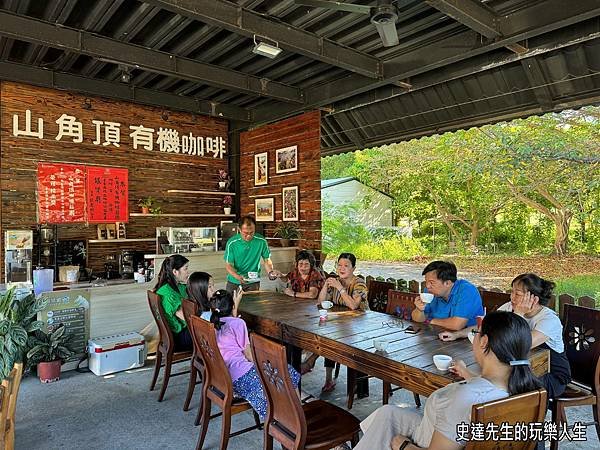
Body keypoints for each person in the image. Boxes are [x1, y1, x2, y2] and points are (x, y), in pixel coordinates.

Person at [355, 311, 543, 450]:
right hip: (450, 434)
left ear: (484, 342)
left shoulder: (463, 398)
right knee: (388, 413)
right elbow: (483, 388)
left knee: (391, 437)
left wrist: (403, 445)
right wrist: (467, 373)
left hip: (432, 441)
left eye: (475, 333)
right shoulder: (525, 386)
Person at [440, 273, 570, 400]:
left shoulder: (549, 320)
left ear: (534, 299)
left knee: (505, 384)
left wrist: (518, 314)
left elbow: (520, 344)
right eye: (512, 292)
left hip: (549, 373)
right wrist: (457, 334)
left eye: (517, 294)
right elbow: (486, 325)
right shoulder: (508, 307)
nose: (512, 297)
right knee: (494, 373)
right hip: (518, 367)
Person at [210, 289, 300, 420]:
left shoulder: (212, 324)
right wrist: (265, 365)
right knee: (288, 372)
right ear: (233, 306)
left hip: (225, 379)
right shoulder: (238, 323)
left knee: (280, 375)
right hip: (242, 376)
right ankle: (297, 417)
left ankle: (292, 417)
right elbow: (249, 355)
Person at [302, 253, 369, 392]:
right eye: (339, 265)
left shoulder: (359, 283)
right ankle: (327, 378)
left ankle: (312, 361)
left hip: (361, 327)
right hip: (342, 321)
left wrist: (339, 288)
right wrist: (326, 286)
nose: (342, 268)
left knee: (332, 338)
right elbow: (320, 303)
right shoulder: (336, 281)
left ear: (353, 268)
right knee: (328, 335)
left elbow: (353, 306)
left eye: (346, 266)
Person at [412, 260, 484, 330]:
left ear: (447, 283)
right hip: (437, 335)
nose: (427, 286)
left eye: (431, 282)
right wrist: (419, 310)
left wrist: (430, 321)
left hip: (467, 338)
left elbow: (456, 325)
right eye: (426, 281)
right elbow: (418, 319)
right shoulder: (429, 291)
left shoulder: (466, 291)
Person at [224, 216, 280, 293]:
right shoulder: (232, 243)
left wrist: (270, 272)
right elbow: (229, 265)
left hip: (253, 282)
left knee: (253, 304)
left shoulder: (261, 241)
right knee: (231, 304)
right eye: (245, 233)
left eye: (252, 232)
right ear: (239, 229)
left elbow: (267, 260)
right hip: (234, 281)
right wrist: (237, 276)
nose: (249, 236)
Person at [154, 254, 191, 350]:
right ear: (175, 271)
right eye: (185, 269)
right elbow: (187, 318)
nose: (188, 272)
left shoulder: (168, 287)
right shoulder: (170, 294)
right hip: (178, 338)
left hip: (173, 335)